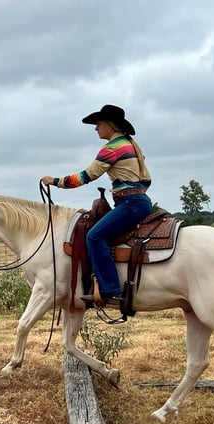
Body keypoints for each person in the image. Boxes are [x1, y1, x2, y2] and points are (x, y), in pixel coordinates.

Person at [41, 104, 152, 307]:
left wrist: (55, 181)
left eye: (98, 123)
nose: (96, 128)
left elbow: (87, 176)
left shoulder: (112, 148)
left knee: (94, 236)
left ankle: (110, 290)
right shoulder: (131, 145)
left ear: (110, 125)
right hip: (140, 200)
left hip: (129, 202)